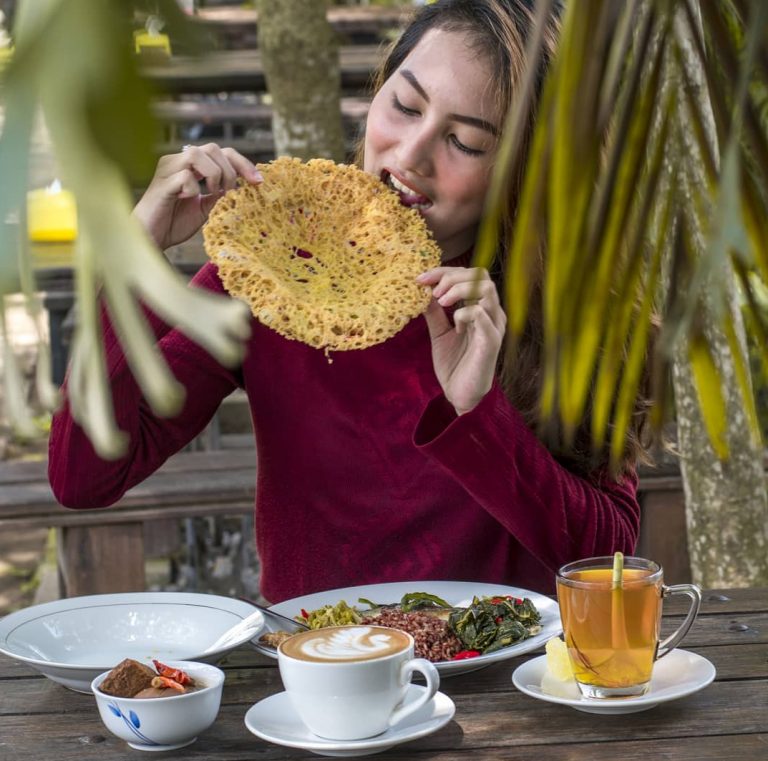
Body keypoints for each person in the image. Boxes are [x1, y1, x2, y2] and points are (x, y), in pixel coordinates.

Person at [48, 0, 652, 603]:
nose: (411, 154)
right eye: (405, 106)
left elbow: (611, 559)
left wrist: (478, 415)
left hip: (504, 677)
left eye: (465, 141)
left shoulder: (571, 309)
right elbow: (85, 477)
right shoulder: (277, 268)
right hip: (321, 674)